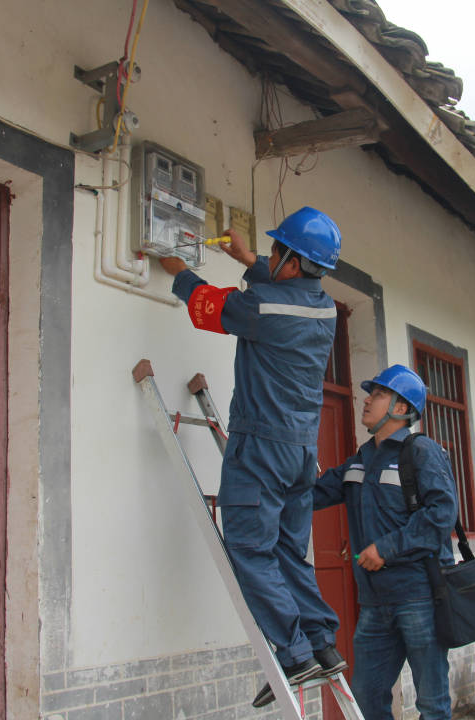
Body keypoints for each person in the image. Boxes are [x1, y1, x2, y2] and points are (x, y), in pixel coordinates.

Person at [158, 207, 346, 706]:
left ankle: (293, 653)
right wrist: (248, 259)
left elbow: (206, 305)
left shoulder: (260, 308)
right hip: (302, 450)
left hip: (261, 448)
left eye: (275, 250)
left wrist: (178, 270)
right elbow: (285, 289)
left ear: (289, 257)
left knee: (248, 548)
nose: (271, 256)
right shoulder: (324, 308)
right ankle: (322, 644)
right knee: (287, 551)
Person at [314, 365, 458, 720]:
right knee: (366, 697)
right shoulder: (361, 460)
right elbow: (314, 493)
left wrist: (386, 549)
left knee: (432, 701)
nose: (367, 400)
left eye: (377, 394)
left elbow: (442, 513)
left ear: (399, 408)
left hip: (419, 598)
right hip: (375, 604)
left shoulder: (421, 452)